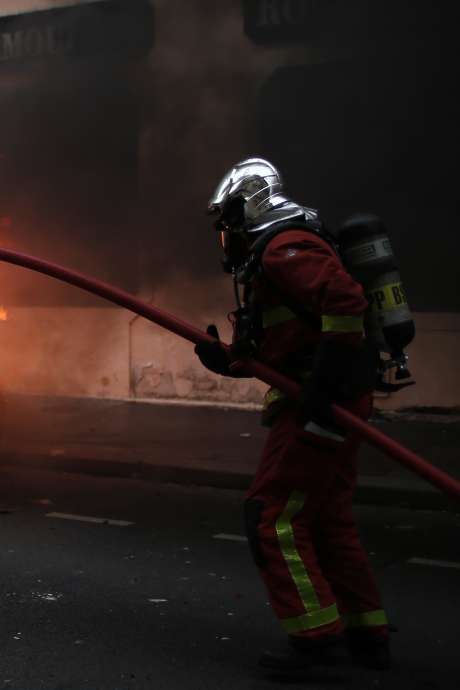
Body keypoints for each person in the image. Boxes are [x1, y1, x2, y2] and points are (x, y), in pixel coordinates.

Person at [195, 159, 389, 673]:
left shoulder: (283, 246)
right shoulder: (280, 249)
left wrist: (323, 386)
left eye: (227, 222)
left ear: (246, 207)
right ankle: (367, 635)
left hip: (323, 403)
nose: (225, 236)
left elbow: (344, 303)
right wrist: (227, 359)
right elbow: (281, 345)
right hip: (334, 398)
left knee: (272, 515)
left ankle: (317, 643)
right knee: (326, 519)